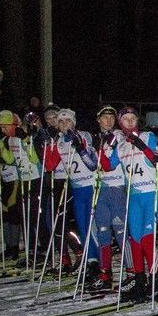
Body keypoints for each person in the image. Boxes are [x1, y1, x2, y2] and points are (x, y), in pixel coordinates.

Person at [106, 106, 158, 303]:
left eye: (133, 118)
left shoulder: (148, 136)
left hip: (150, 193)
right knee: (135, 240)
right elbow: (107, 166)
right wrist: (105, 146)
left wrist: (139, 143)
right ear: (120, 123)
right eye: (126, 119)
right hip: (133, 196)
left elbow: (157, 160)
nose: (130, 122)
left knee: (148, 239)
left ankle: (155, 282)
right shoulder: (120, 144)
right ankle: (139, 281)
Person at [44, 109, 98, 276]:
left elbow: (92, 164)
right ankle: (90, 261)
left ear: (74, 122)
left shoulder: (83, 135)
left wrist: (80, 147)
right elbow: (50, 165)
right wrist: (49, 143)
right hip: (76, 187)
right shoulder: (59, 140)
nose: (64, 124)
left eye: (68, 121)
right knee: (82, 227)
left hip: (89, 186)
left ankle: (97, 263)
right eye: (61, 122)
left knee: (92, 227)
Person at [88, 106, 128, 293]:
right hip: (102, 189)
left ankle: (131, 272)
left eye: (111, 117)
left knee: (120, 231)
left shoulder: (120, 136)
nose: (109, 120)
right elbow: (90, 164)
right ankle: (105, 272)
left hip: (118, 187)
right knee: (103, 231)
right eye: (104, 117)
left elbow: (114, 163)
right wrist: (82, 149)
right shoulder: (96, 139)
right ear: (98, 120)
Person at [0, 109, 38, 261]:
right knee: (15, 215)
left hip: (32, 180)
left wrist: (26, 140)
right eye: (1, 127)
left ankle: (36, 250)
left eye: (5, 126)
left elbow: (35, 159)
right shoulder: (10, 139)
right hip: (17, 181)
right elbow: (9, 159)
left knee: (28, 217)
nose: (3, 130)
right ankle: (16, 249)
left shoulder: (22, 135)